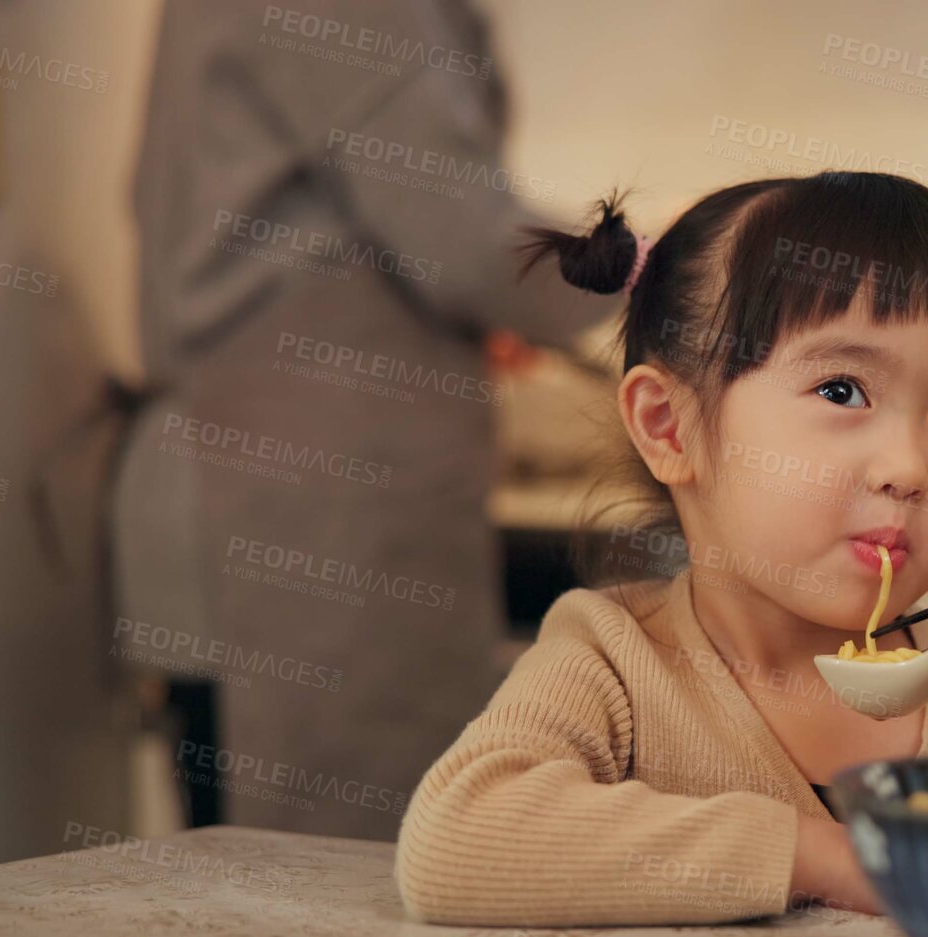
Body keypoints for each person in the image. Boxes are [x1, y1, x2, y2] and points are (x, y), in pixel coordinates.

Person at [393, 172, 928, 925]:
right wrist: (830, 857)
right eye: (840, 391)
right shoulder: (614, 658)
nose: (908, 468)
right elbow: (457, 839)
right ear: (669, 426)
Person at [123, 0, 607, 839]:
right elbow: (467, 239)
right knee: (334, 874)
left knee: (250, 877)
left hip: (244, 477)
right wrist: (681, 278)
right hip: (315, 501)